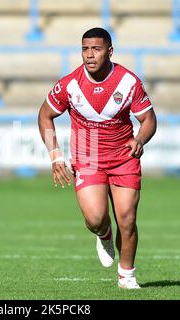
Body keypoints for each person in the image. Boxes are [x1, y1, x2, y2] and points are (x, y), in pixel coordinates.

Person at [38, 27, 157, 289]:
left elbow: (149, 120)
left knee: (126, 218)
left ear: (110, 51)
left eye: (96, 49)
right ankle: (103, 233)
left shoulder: (128, 82)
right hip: (88, 155)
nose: (89, 55)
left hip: (124, 156)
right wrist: (55, 155)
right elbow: (44, 114)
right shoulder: (69, 85)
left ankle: (127, 276)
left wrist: (139, 139)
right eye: (85, 49)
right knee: (95, 218)